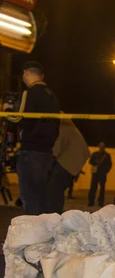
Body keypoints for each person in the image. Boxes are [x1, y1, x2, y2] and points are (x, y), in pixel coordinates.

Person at [8, 61, 60, 215]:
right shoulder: (52, 96)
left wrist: (7, 112)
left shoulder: (30, 93)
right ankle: (42, 233)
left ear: (26, 73)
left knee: (29, 196)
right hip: (46, 152)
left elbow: (21, 119)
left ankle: (32, 234)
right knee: (41, 196)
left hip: (30, 150)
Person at [46, 118, 90, 214]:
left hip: (67, 162)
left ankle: (53, 215)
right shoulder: (66, 124)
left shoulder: (62, 126)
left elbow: (55, 150)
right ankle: (54, 214)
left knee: (54, 189)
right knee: (55, 190)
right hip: (72, 161)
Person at [87, 142, 112, 207]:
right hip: (95, 173)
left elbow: (109, 164)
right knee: (93, 187)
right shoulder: (95, 154)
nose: (101, 148)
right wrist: (95, 162)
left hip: (102, 174)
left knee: (102, 189)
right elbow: (90, 161)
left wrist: (106, 171)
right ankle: (91, 201)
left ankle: (100, 202)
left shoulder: (107, 155)